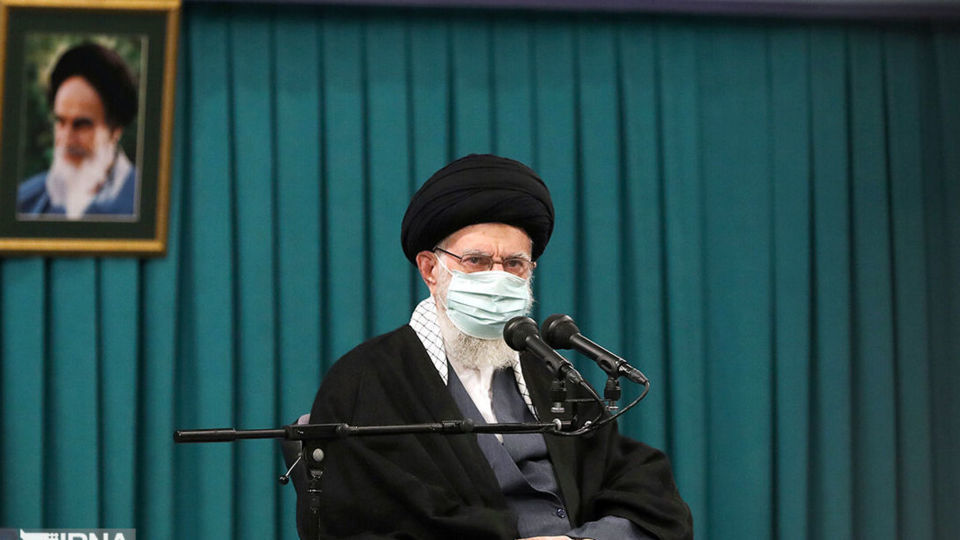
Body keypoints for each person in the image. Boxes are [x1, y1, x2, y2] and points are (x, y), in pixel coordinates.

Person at [302, 154, 693, 539]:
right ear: (430, 269)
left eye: (514, 264)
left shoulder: (551, 374)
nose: (498, 277)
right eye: (476, 260)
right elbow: (372, 516)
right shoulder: (367, 379)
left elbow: (636, 484)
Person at [16, 42, 138, 219]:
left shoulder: (146, 204)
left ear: (115, 130)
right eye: (60, 121)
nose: (66, 138)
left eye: (81, 124)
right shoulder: (25, 202)